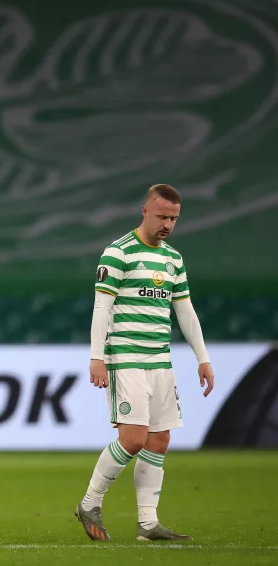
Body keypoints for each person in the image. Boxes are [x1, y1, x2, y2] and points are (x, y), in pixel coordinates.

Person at [75, 183, 215, 542]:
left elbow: (185, 311)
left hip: (160, 362)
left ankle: (147, 525)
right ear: (145, 211)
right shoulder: (118, 253)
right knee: (134, 439)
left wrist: (203, 358)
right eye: (162, 216)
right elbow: (102, 307)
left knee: (159, 441)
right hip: (126, 358)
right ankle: (90, 502)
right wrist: (97, 357)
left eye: (174, 218)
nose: (168, 223)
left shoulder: (173, 259)